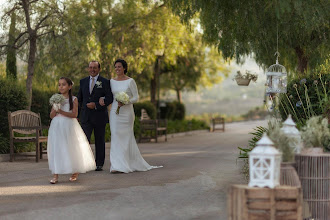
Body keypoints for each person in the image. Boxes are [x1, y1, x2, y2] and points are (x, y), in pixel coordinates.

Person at [99, 59, 162, 173]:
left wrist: (126, 101)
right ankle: (116, 166)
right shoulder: (111, 81)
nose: (117, 69)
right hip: (114, 112)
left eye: (119, 67)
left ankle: (127, 163)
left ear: (124, 68)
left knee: (126, 137)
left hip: (127, 113)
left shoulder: (130, 81)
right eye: (116, 67)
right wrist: (102, 99)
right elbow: (108, 96)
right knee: (116, 136)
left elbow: (136, 97)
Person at [48, 77, 96, 184]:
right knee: (57, 148)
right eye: (59, 84)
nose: (61, 87)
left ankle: (75, 171)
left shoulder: (74, 99)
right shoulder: (56, 98)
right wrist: (55, 109)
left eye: (63, 84)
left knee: (71, 147)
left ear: (69, 86)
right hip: (57, 126)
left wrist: (60, 111)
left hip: (69, 125)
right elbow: (51, 115)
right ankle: (55, 175)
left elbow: (74, 114)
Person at [78, 61, 113, 171]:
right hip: (86, 117)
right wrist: (78, 114)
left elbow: (109, 98)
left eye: (95, 68)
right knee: (84, 141)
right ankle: (85, 163)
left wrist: (96, 105)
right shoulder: (83, 81)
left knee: (99, 141)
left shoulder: (105, 82)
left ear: (99, 69)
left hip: (99, 116)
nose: (92, 69)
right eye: (90, 67)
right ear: (88, 69)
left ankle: (99, 164)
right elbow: (79, 99)